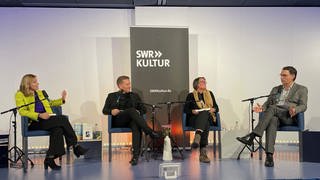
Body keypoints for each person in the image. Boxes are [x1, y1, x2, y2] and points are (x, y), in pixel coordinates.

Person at [236, 66, 308, 167]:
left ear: (293, 76)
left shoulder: (301, 89)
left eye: (284, 75)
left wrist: (295, 110)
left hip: (288, 116)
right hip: (274, 116)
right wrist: (262, 109)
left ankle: (252, 136)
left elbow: (304, 105)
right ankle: (269, 156)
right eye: (281, 75)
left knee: (273, 108)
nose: (282, 77)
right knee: (272, 120)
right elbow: (267, 103)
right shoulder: (276, 89)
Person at [15, 74, 88, 170]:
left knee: (57, 129)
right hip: (34, 122)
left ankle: (49, 159)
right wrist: (39, 115)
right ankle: (75, 146)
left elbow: (50, 103)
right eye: (35, 82)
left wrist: (62, 99)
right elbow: (22, 111)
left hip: (47, 119)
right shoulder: (20, 94)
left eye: (37, 81)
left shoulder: (40, 93)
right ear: (28, 84)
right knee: (63, 119)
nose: (38, 83)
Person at [102, 75, 160, 166]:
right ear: (120, 86)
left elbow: (143, 109)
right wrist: (111, 111)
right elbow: (104, 110)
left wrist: (138, 111)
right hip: (118, 120)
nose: (129, 86)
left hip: (131, 121)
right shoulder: (112, 96)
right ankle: (150, 132)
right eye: (127, 84)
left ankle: (135, 157)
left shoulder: (134, 96)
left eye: (129, 84)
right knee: (132, 111)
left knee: (135, 124)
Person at [184, 77, 219, 163]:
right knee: (205, 122)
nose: (204, 83)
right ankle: (203, 154)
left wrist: (213, 110)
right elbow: (186, 110)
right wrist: (192, 111)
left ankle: (197, 136)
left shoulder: (210, 94)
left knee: (205, 112)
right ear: (197, 84)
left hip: (209, 116)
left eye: (205, 81)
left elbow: (216, 107)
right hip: (194, 119)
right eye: (202, 81)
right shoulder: (191, 95)